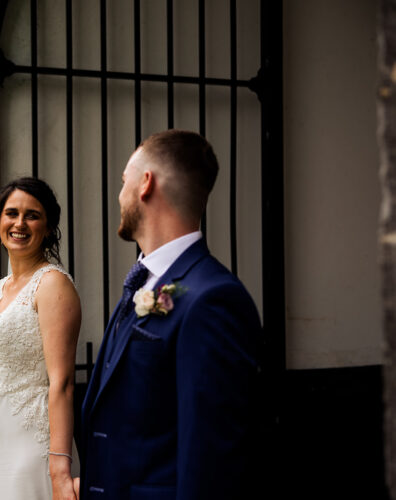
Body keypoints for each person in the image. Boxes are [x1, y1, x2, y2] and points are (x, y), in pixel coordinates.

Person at [78, 130, 261, 500]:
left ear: (145, 184)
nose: (119, 194)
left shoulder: (213, 298)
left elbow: (213, 461)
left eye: (123, 180)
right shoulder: (143, 282)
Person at [0, 177, 81, 500]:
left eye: (32, 215)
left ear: (48, 227)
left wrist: (59, 470)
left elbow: (62, 383)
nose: (20, 223)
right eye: (11, 213)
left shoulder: (52, 285)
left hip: (33, 448)